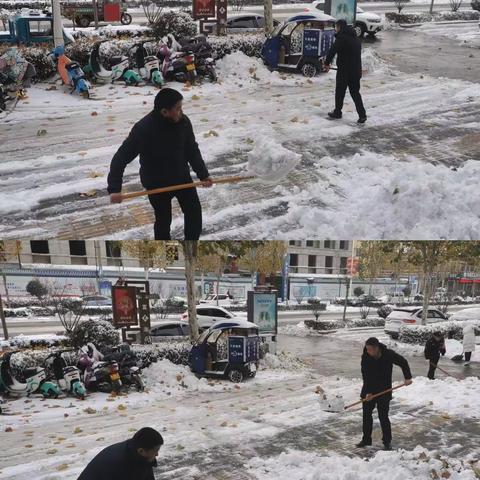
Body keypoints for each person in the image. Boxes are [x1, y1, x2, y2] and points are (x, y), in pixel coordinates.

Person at [107, 88, 213, 240]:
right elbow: (120, 158)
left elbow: (192, 150)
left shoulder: (183, 122)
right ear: (164, 112)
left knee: (194, 213)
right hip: (156, 184)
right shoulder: (143, 129)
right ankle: (168, 258)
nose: (181, 112)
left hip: (181, 177)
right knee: (163, 221)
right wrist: (114, 189)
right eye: (177, 109)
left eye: (181, 107)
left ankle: (191, 251)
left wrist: (203, 174)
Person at [357, 337, 413, 451]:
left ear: (377, 348)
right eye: (367, 349)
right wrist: (368, 392)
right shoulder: (366, 357)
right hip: (369, 391)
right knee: (366, 416)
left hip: (384, 391)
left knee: (383, 416)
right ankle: (366, 439)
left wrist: (407, 377)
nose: (368, 351)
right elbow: (365, 375)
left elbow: (403, 362)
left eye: (370, 349)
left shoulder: (388, 354)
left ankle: (387, 441)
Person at [323, 19, 367, 124]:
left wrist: (326, 63)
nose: (335, 29)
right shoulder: (356, 38)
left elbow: (332, 51)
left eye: (336, 27)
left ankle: (337, 112)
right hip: (356, 71)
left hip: (344, 71)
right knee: (355, 93)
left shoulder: (341, 38)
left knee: (340, 92)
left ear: (339, 27)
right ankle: (362, 115)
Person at [77, 427, 163, 480]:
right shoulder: (118, 463)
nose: (157, 454)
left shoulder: (140, 454)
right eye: (156, 451)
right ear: (141, 451)